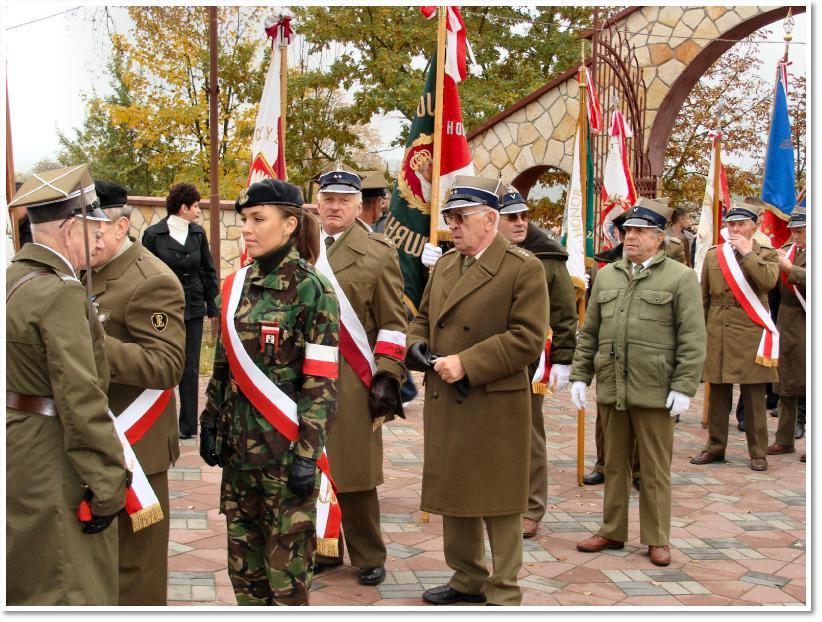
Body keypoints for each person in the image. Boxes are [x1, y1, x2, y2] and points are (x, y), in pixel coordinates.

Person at [407, 175, 548, 606]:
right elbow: (425, 316)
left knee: (501, 498)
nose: (453, 226)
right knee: (455, 490)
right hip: (446, 396)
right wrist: (415, 344)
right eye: (450, 217)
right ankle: (467, 576)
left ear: (490, 219)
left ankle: (503, 587)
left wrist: (467, 363)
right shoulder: (447, 264)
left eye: (461, 217)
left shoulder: (523, 267)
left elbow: (528, 337)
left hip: (493, 400)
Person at [199, 179, 339, 605]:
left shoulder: (313, 291)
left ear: (290, 223)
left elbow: (322, 385)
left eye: (259, 219)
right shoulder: (235, 286)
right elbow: (224, 366)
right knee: (245, 576)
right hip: (240, 458)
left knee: (286, 581)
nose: (247, 229)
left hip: (285, 460)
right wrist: (209, 421)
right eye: (245, 220)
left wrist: (306, 456)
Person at [6, 165, 128, 604]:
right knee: (68, 587)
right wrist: (107, 481)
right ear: (69, 226)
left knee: (28, 578)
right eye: (91, 228)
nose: (98, 240)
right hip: (54, 454)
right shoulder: (61, 292)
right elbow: (80, 397)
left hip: (20, 445)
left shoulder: (13, 280)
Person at [570, 198, 706, 567]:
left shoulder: (679, 278)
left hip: (655, 390)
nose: (630, 237)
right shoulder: (609, 275)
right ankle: (612, 529)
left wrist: (684, 386)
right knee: (614, 464)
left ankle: (657, 537)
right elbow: (591, 332)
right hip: (613, 387)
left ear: (658, 238)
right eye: (628, 230)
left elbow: (693, 337)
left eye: (640, 231)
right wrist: (581, 376)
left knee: (654, 469)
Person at [86, 180, 187, 604]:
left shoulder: (151, 280)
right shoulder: (83, 271)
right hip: (95, 439)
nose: (86, 238)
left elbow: (167, 366)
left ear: (122, 225)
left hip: (137, 444)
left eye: (95, 228)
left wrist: (89, 344)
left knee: (137, 573)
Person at [315, 167, 408, 586]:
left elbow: (393, 322)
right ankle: (324, 546)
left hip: (353, 377)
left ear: (358, 205)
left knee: (355, 469)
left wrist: (388, 375)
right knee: (314, 463)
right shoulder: (301, 245)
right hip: (306, 376)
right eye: (328, 198)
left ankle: (369, 552)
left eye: (344, 200)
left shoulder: (378, 251)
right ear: (317, 201)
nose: (334, 206)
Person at [494, 187, 578, 538]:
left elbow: (564, 313)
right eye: (511, 217)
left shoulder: (548, 258)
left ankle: (531, 507)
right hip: (487, 359)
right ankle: (494, 498)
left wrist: (562, 359)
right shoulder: (480, 253)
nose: (520, 223)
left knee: (528, 435)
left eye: (524, 216)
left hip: (529, 362)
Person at [690, 198, 780, 471]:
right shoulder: (714, 254)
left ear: (754, 227)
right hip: (718, 328)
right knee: (717, 392)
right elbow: (704, 297)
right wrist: (701, 332)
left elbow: (768, 282)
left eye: (741, 224)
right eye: (731, 224)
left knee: (753, 396)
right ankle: (715, 446)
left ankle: (757, 452)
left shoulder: (767, 253)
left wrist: (749, 254)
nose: (735, 229)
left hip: (751, 329)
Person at [143, 182, 220, 440]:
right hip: (162, 311)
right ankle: (156, 421)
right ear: (183, 207)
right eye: (196, 206)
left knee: (191, 367)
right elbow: (145, 274)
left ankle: (188, 426)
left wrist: (213, 305)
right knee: (161, 364)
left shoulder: (198, 234)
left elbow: (208, 270)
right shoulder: (153, 235)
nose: (199, 211)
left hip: (194, 307)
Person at [767, 206, 806, 459]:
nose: (796, 235)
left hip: (806, 323)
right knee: (787, 384)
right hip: (787, 322)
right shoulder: (791, 251)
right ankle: (784, 438)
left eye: (801, 230)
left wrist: (788, 268)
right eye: (794, 230)